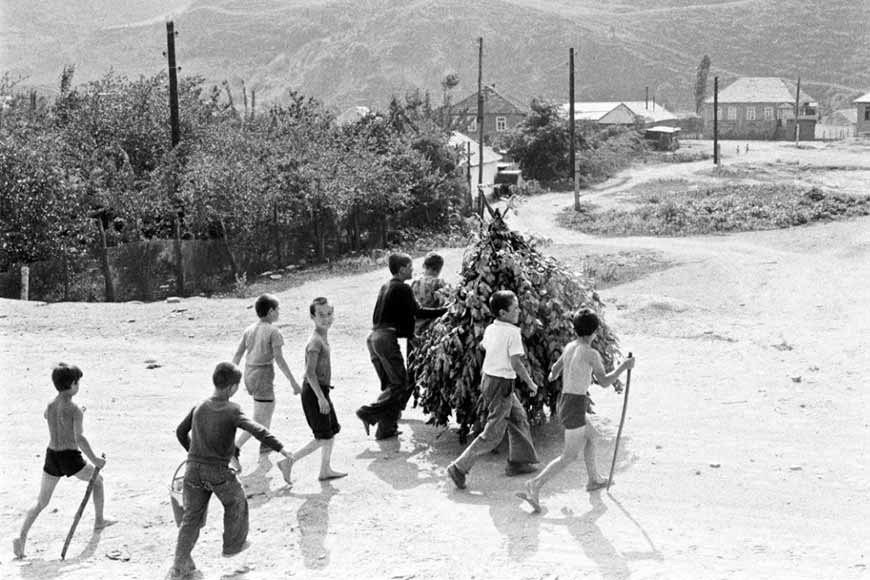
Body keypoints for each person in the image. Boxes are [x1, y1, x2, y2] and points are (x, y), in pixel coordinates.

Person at [169, 362, 294, 579]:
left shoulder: (199, 406)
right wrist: (282, 448)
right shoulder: (233, 410)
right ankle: (232, 547)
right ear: (232, 388)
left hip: (193, 471)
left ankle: (179, 567)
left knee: (191, 518)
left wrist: (195, 454)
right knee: (236, 501)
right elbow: (258, 430)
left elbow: (181, 432)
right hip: (218, 473)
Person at [517, 308, 636, 513]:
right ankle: (534, 485)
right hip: (574, 404)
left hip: (565, 400)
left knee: (592, 437)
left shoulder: (570, 346)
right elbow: (605, 381)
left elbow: (556, 368)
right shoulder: (591, 353)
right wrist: (624, 367)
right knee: (569, 456)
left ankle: (593, 479)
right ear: (595, 332)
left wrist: (554, 375)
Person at [13, 363, 116, 559]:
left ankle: (21, 537)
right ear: (72, 384)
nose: (79, 386)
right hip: (70, 457)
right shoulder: (74, 409)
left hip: (51, 455)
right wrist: (95, 460)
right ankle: (99, 520)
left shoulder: (51, 404)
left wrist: (76, 415)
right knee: (99, 482)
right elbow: (79, 439)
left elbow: (48, 416)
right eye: (78, 383)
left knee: (41, 501)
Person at [446, 290, 540, 490]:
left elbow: (483, 346)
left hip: (490, 380)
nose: (519, 311)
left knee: (519, 416)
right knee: (493, 434)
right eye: (515, 308)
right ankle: (459, 467)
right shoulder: (513, 333)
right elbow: (516, 363)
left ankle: (519, 462)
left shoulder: (491, 328)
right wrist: (530, 383)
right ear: (503, 313)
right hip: (502, 383)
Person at [356, 253, 447, 440]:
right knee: (401, 385)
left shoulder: (386, 286)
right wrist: (447, 310)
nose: (413, 269)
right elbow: (417, 312)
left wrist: (409, 334)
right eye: (409, 266)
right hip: (385, 340)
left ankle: (385, 429)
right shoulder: (403, 288)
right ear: (402, 268)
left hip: (373, 338)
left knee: (392, 386)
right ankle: (367, 412)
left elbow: (398, 316)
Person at [280, 297, 347, 483]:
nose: (326, 318)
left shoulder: (323, 337)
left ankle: (325, 469)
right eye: (321, 315)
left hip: (322, 390)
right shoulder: (315, 341)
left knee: (331, 431)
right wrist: (321, 398)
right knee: (322, 437)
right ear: (312, 317)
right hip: (313, 392)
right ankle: (289, 461)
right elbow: (309, 373)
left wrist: (323, 395)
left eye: (329, 314)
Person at [232, 294, 301, 470]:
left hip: (249, 374)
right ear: (271, 311)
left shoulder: (249, 329)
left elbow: (238, 354)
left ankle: (265, 445)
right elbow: (279, 359)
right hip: (263, 376)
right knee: (259, 419)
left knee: (265, 411)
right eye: (277, 309)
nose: (279, 313)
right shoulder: (273, 332)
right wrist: (293, 382)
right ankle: (235, 448)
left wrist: (232, 375)